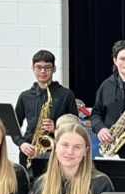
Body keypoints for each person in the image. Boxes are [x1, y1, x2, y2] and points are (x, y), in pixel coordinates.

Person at [13, 49, 79, 180]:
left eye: (47, 67)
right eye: (39, 67)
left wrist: (56, 129)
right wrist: (21, 144)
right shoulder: (25, 96)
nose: (43, 72)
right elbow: (13, 126)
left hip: (57, 152)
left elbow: (76, 126)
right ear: (33, 68)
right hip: (30, 152)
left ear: (54, 69)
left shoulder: (66, 95)